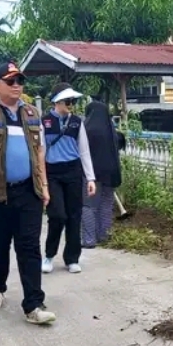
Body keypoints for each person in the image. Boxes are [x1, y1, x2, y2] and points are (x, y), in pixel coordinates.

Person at [0, 61, 56, 325]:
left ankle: (34, 304)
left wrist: (44, 186)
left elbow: (39, 153)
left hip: (29, 192)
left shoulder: (31, 114)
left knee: (29, 247)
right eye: (11, 81)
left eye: (20, 81)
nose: (17, 86)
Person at [41, 83, 96, 274]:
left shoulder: (76, 122)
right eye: (68, 101)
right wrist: (42, 180)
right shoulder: (45, 121)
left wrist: (90, 178)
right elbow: (40, 151)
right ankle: (49, 255)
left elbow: (84, 151)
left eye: (73, 101)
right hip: (52, 172)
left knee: (74, 216)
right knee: (57, 215)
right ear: (58, 101)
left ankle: (72, 258)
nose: (71, 104)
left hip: (73, 171)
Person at [81, 100, 122, 248]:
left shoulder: (85, 129)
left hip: (91, 173)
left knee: (89, 205)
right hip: (110, 174)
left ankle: (89, 239)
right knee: (106, 203)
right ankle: (104, 234)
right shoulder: (110, 128)